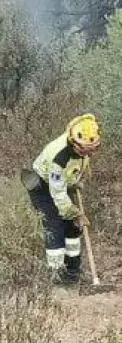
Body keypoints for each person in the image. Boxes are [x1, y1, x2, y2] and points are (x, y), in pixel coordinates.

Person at [22, 114, 101, 285]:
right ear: (73, 142)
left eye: (92, 149)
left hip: (63, 184)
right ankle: (56, 277)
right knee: (55, 226)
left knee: (72, 228)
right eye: (84, 150)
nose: (88, 153)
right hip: (42, 186)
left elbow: (78, 165)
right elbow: (57, 192)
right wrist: (75, 213)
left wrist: (77, 180)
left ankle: (72, 273)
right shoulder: (58, 157)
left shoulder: (84, 144)